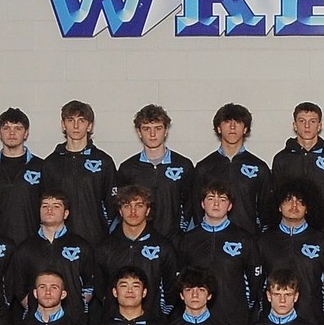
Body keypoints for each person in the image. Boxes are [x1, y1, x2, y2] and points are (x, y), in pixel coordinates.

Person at [177, 183, 260, 325]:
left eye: (222, 199)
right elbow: (181, 280)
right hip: (197, 318)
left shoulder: (244, 239)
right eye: (211, 199)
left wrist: (241, 307)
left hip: (234, 319)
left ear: (230, 206)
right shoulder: (188, 239)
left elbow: (255, 281)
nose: (216, 204)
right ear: (202, 204)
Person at [95, 186, 181, 320]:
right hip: (113, 322)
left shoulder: (163, 246)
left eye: (139, 206)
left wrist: (159, 315)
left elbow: (171, 288)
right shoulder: (105, 247)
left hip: (153, 322)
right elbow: (100, 287)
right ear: (120, 210)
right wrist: (112, 310)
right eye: (127, 206)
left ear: (148, 210)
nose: (133, 211)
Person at [41, 101, 115, 245]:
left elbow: (112, 204)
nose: (76, 126)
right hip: (60, 240)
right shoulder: (51, 163)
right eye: (70, 120)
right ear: (63, 125)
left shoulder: (103, 161)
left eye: (81, 121)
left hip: (96, 238)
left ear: (89, 126)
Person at [257, 187, 324, 319]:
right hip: (272, 321)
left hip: (312, 319)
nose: (294, 205)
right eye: (288, 200)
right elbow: (257, 283)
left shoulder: (323, 241)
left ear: (308, 208)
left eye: (300, 201)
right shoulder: (264, 241)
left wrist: (323, 312)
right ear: (279, 206)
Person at [268, 101, 324, 229]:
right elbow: (276, 197)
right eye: (302, 121)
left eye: (312, 121)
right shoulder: (282, 159)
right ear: (295, 125)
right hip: (292, 230)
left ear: (319, 126)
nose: (307, 126)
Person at [118, 104, 193, 238]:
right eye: (146, 129)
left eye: (158, 128)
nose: (152, 134)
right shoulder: (127, 168)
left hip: (174, 240)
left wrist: (181, 230)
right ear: (139, 132)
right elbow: (122, 206)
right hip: (139, 240)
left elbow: (190, 204)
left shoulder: (183, 165)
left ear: (166, 130)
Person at [195, 103, 270, 234]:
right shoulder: (204, 167)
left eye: (238, 122)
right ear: (219, 128)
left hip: (249, 237)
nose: (232, 127)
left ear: (245, 129)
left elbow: (267, 210)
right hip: (212, 238)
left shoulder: (259, 167)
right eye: (227, 122)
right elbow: (196, 209)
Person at [0, 107, 44, 246]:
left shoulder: (41, 167)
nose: (12, 133)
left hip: (33, 243)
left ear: (26, 133)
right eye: (6, 128)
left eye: (18, 128)